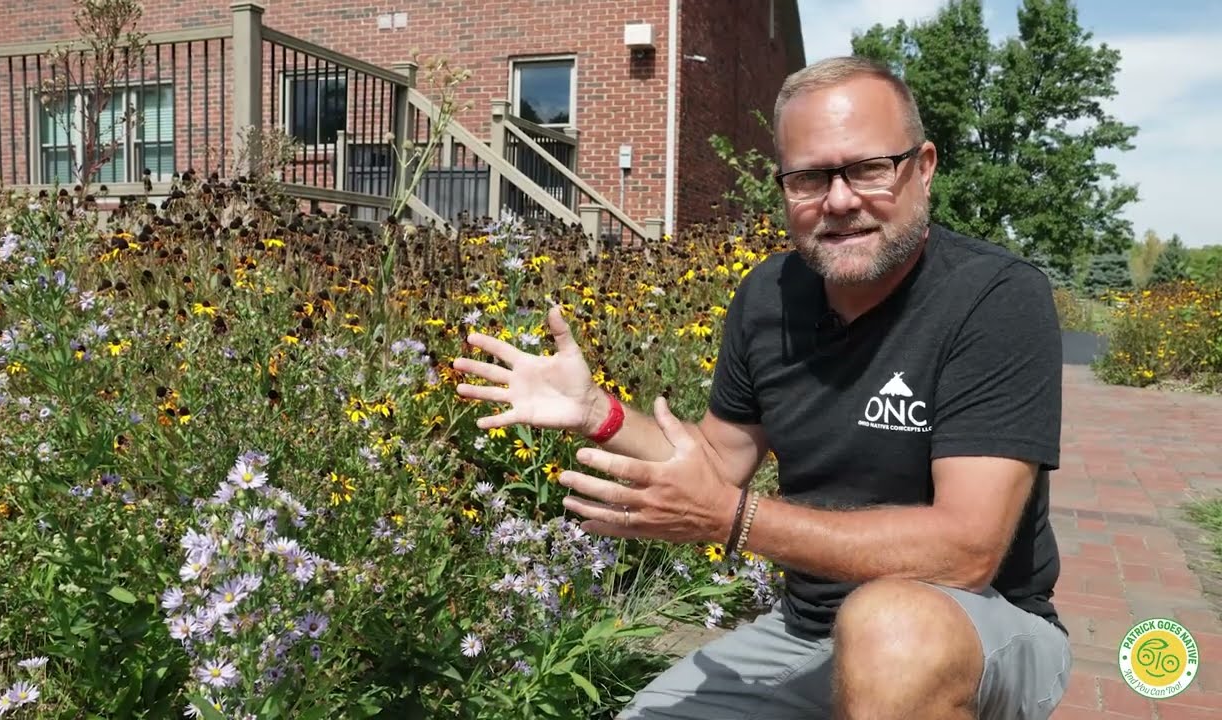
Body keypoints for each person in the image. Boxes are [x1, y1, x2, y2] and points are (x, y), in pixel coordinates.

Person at [453, 55, 1071, 720]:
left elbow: (966, 550)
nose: (837, 200)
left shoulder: (995, 299)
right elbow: (717, 464)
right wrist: (597, 412)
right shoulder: (769, 296)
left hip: (975, 626)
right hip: (808, 631)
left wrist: (735, 520)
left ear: (922, 168)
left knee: (891, 627)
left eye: (867, 169)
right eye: (809, 177)